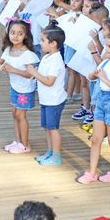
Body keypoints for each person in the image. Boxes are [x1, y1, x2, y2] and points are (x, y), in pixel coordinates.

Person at [77, 31, 110, 184]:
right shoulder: (105, 62)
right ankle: (92, 172)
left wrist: (103, 78)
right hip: (101, 102)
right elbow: (93, 76)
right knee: (96, 139)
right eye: (106, 46)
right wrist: (93, 75)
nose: (106, 49)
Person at [26, 23, 67, 166]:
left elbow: (49, 81)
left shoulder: (56, 60)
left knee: (53, 128)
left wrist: (34, 73)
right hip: (46, 99)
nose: (41, 43)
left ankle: (56, 156)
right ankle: (50, 151)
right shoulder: (47, 57)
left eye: (43, 40)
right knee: (47, 127)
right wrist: (35, 73)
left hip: (54, 100)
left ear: (53, 44)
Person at [0, 18, 39, 154]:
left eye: (20, 33)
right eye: (12, 32)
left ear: (26, 35)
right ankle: (18, 140)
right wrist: (1, 67)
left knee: (21, 115)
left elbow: (30, 74)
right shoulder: (9, 49)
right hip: (15, 87)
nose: (15, 36)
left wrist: (12, 70)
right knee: (14, 114)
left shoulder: (28, 55)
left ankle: (25, 145)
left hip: (25, 90)